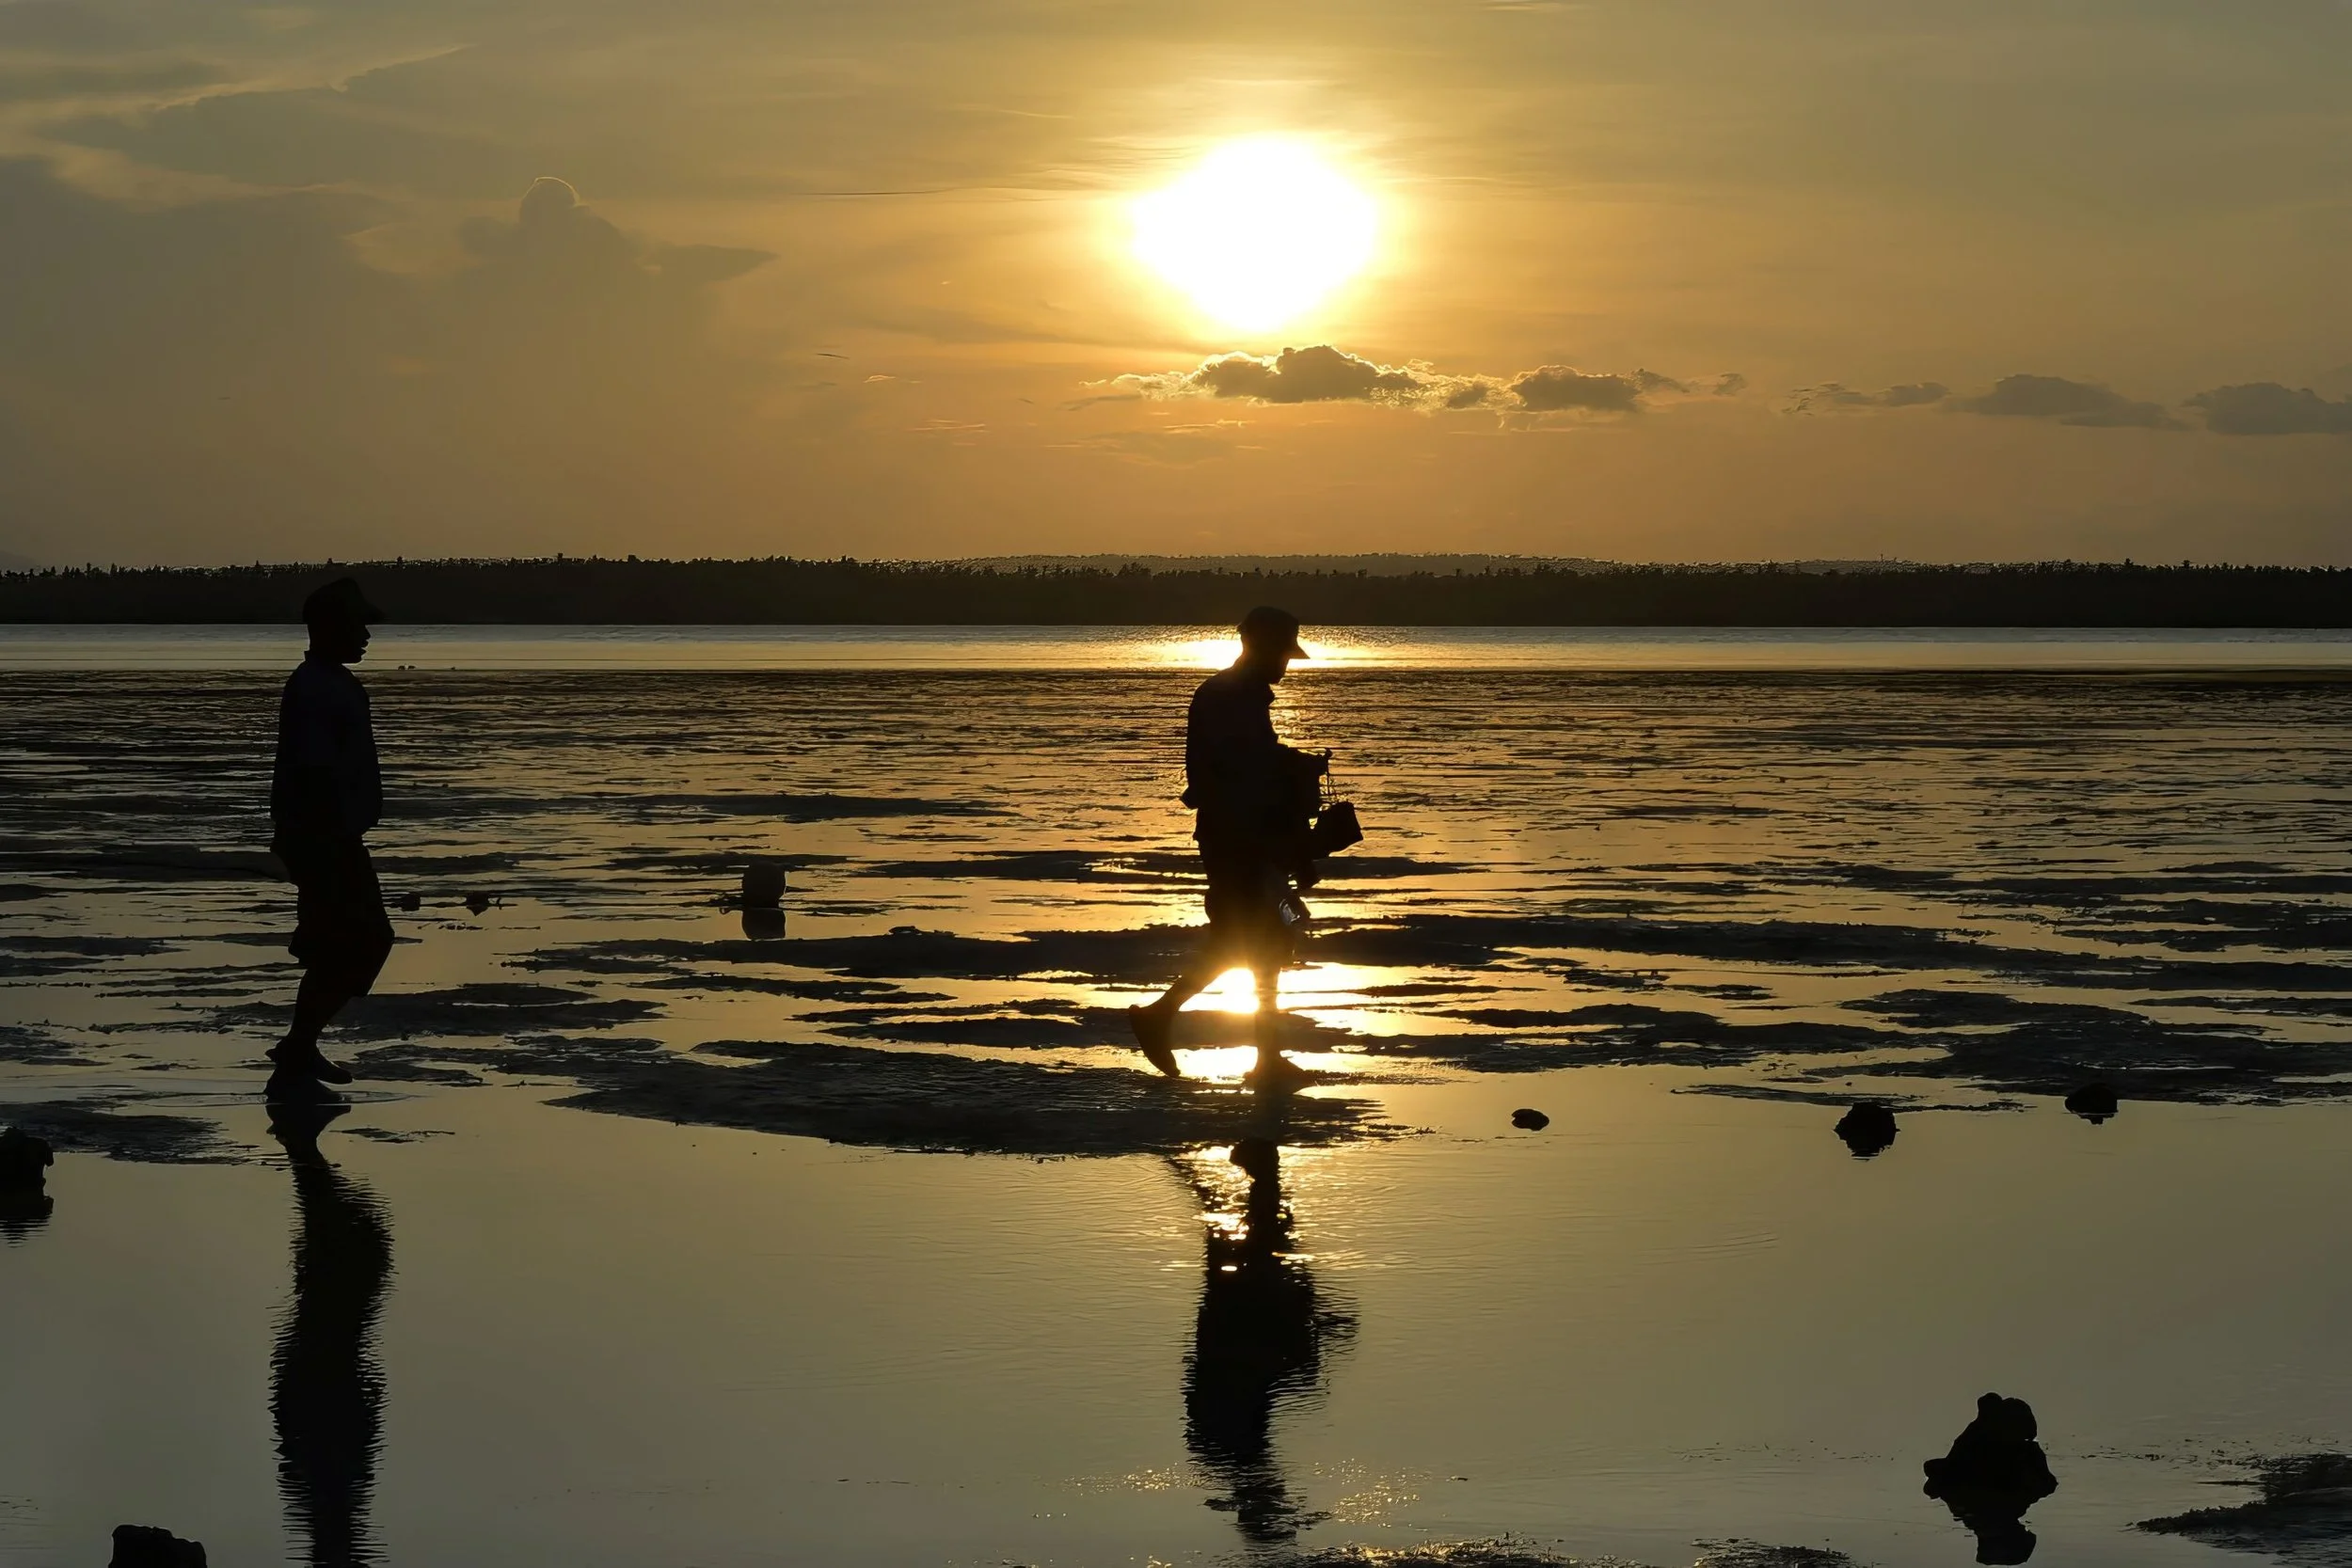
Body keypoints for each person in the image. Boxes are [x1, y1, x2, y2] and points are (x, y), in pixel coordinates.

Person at [1130, 606, 1327, 1087]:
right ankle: (1164, 1016)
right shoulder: (1232, 695)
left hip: (1244, 836)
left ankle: (1263, 1056)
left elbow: (1250, 761)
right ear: (1258, 650)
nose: (1285, 667)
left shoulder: (1236, 694)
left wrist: (1292, 765)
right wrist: (1296, 768)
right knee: (1255, 939)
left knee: (1264, 941)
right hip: (1236, 838)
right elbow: (1244, 767)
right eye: (1281, 655)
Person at [265, 578, 393, 1100]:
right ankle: (298, 1051)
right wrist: (317, 840)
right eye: (357, 626)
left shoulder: (328, 682)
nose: (366, 636)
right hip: (324, 837)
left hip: (329, 834)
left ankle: (299, 1050)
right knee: (358, 941)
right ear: (329, 628)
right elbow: (312, 770)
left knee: (343, 944)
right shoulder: (317, 686)